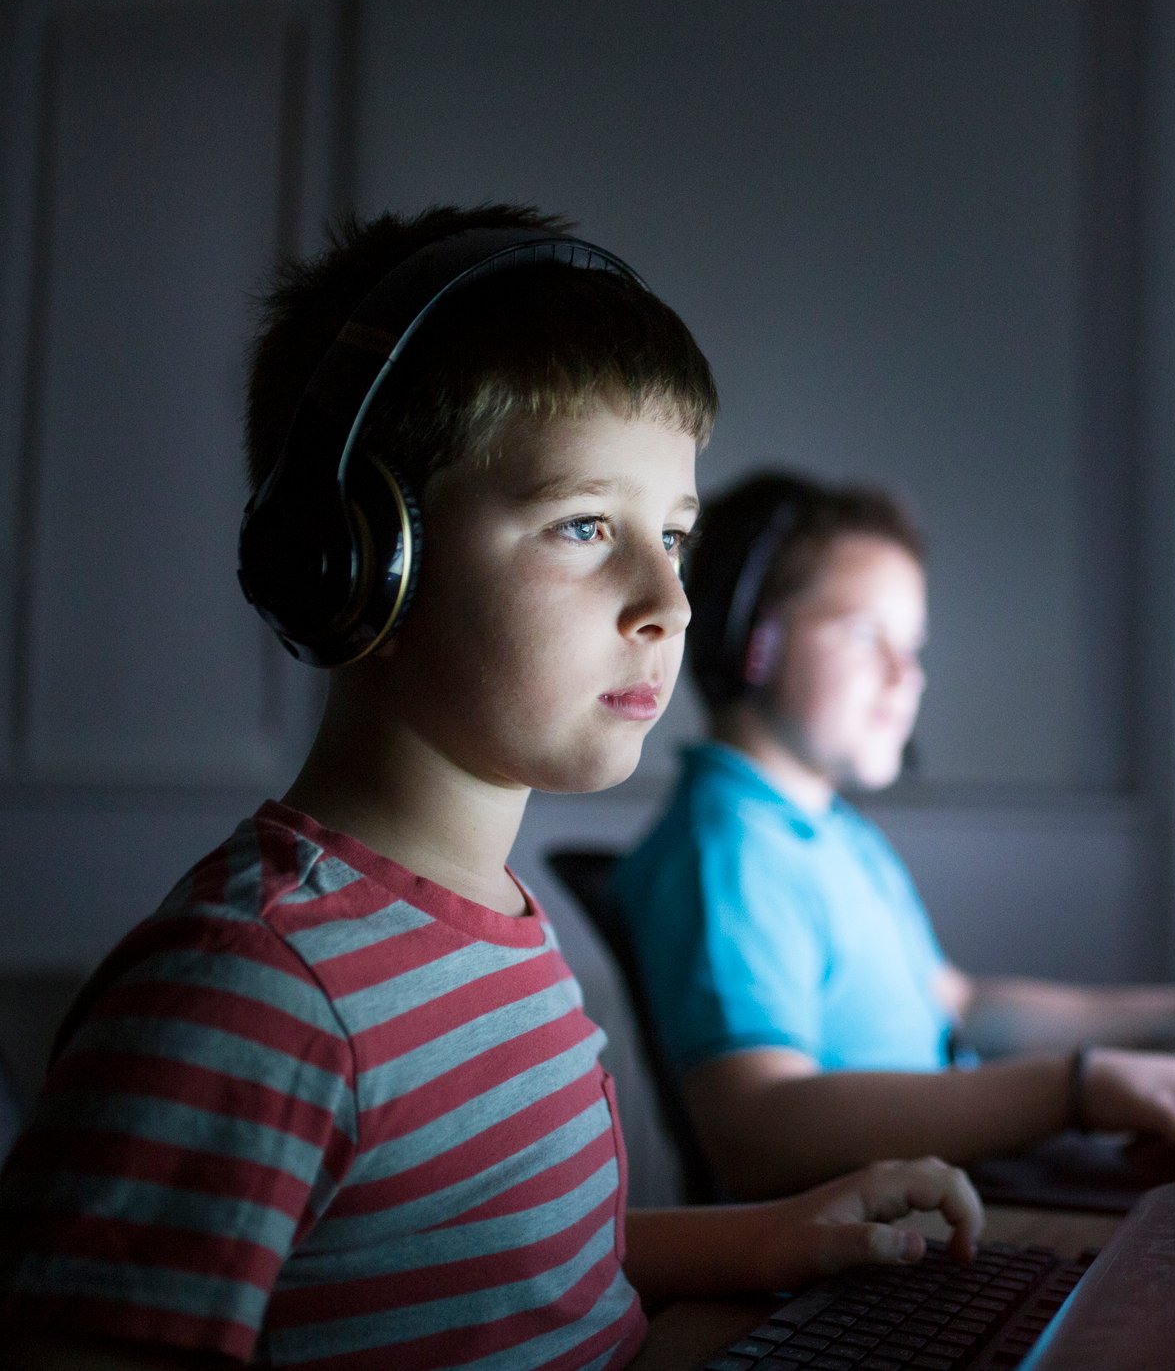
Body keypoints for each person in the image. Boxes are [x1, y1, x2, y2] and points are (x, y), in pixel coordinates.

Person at [0, 208, 981, 1370]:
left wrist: (761, 1241)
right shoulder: (253, 993)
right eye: (581, 524)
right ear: (357, 559)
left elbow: (507, 1268)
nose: (665, 598)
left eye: (674, 535)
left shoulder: (499, 921)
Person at [614, 471, 1175, 1199]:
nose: (907, 675)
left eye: (913, 645)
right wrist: (1072, 1090)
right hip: (870, 1242)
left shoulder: (827, 832)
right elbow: (755, 1130)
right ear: (753, 642)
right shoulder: (733, 853)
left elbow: (960, 1004)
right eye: (865, 633)